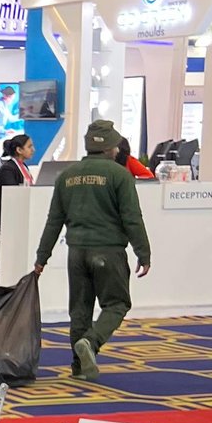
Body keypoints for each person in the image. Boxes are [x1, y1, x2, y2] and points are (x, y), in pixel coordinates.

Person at [33, 116, 151, 379]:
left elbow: (54, 221)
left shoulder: (67, 176)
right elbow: (132, 218)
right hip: (108, 250)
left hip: (76, 252)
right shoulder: (120, 175)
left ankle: (78, 366)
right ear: (112, 147)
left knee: (79, 310)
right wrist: (143, 253)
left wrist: (42, 257)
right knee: (117, 303)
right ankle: (91, 342)